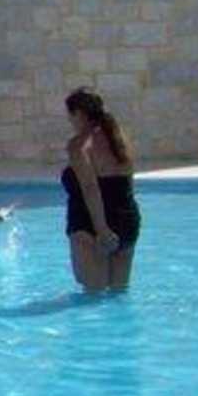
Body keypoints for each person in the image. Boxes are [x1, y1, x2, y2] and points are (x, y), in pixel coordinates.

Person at [63, 87, 139, 293]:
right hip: (127, 219)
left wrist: (102, 229)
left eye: (70, 115)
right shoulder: (119, 139)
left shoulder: (79, 145)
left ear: (78, 113)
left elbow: (90, 188)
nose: (70, 121)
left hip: (90, 224)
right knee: (119, 293)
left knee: (93, 295)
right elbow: (129, 183)